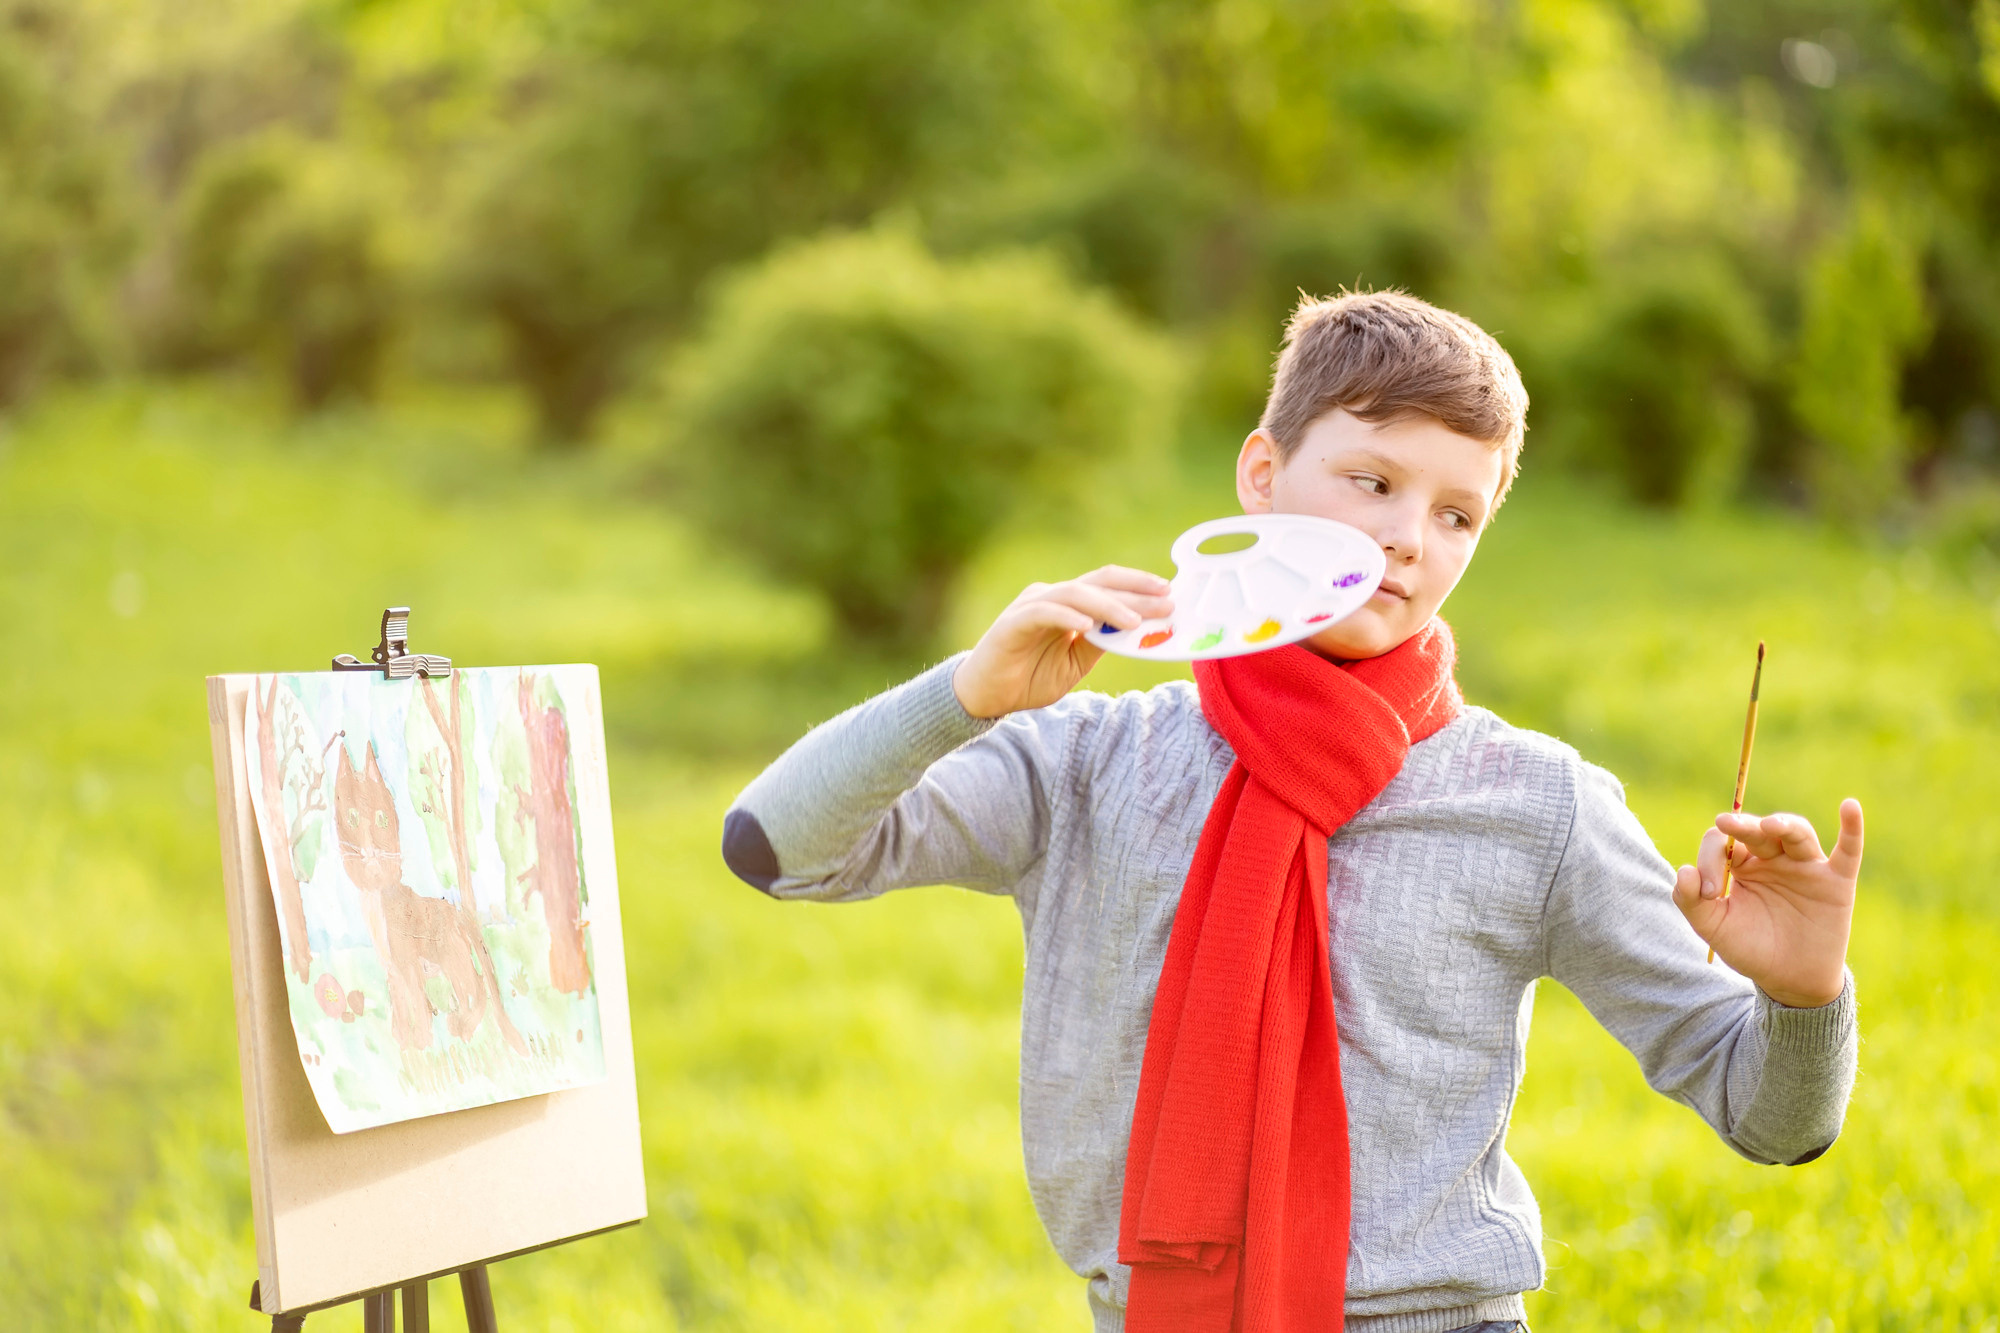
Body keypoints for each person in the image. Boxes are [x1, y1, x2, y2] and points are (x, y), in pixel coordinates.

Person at [720, 291, 1861, 1333]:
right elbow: (776, 848)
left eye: (1457, 514)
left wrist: (1802, 994)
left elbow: (1768, 1117)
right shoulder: (1093, 762)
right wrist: (960, 693)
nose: (1407, 537)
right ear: (1260, 475)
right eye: (1370, 482)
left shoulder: (1533, 803)